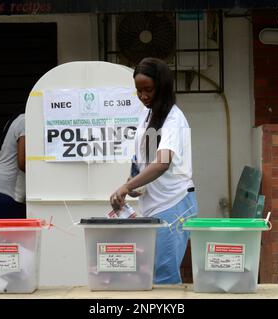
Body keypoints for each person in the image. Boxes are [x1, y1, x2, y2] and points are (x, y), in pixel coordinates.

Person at [110, 57, 198, 284]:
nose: (143, 96)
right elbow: (145, 159)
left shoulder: (174, 119)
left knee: (164, 277)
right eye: (138, 91)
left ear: (162, 86)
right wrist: (135, 182)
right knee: (152, 275)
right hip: (154, 204)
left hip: (173, 204)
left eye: (148, 90)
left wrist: (127, 186)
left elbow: (162, 162)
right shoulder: (147, 114)